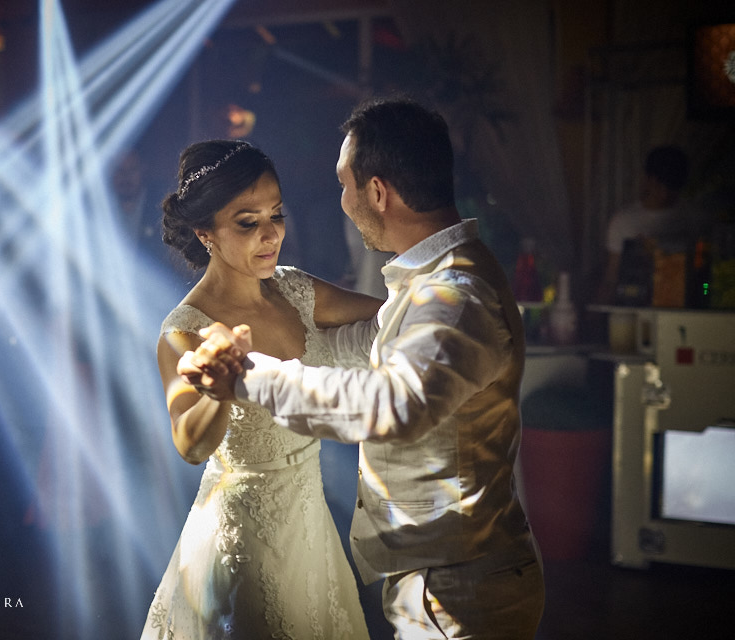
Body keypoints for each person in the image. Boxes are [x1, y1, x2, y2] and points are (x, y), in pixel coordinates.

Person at [182, 97, 546, 639]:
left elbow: (391, 403)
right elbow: (377, 341)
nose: (343, 201)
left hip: (455, 588)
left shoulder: (454, 294)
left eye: (345, 185)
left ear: (377, 192)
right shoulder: (440, 279)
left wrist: (248, 377)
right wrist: (280, 342)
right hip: (445, 574)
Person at [141, 139, 383, 640]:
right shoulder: (183, 331)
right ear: (204, 233)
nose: (271, 235)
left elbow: (391, 320)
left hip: (311, 522)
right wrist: (221, 386)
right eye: (248, 222)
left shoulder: (295, 290)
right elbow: (189, 443)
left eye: (277, 214)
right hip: (241, 536)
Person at [597, 145, 697, 304]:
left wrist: (704, 297)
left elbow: (705, 277)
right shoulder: (624, 220)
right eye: (659, 185)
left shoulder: (694, 218)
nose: (664, 194)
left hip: (684, 310)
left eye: (671, 187)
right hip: (635, 307)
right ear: (648, 180)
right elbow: (612, 277)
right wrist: (596, 313)